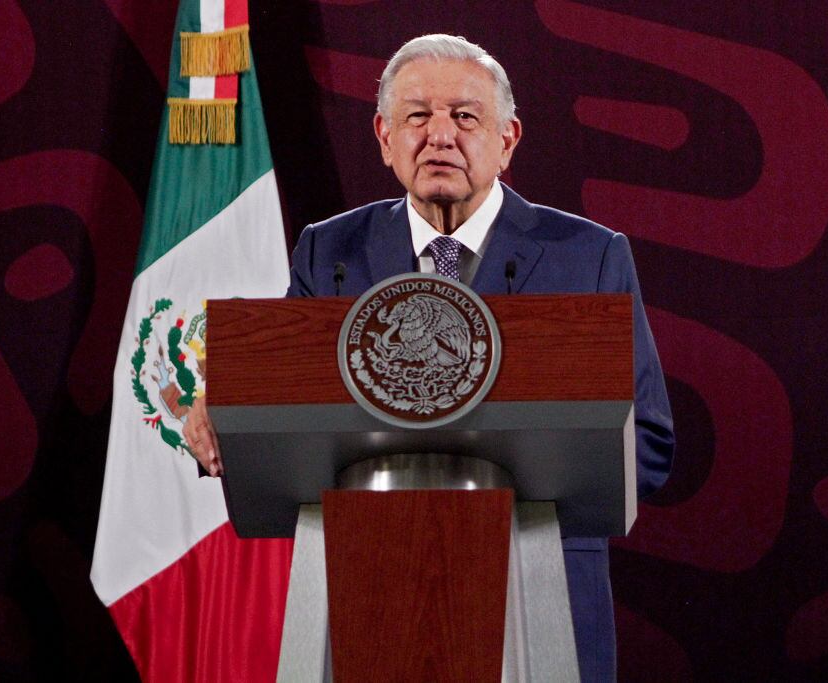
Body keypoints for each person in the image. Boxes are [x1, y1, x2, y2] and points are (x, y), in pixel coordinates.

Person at [184, 33, 674, 682]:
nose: (439, 135)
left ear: (508, 139)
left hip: (536, 591)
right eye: (418, 115)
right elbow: (285, 403)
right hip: (369, 597)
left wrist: (525, 481)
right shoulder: (327, 254)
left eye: (465, 116)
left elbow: (649, 442)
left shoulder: (588, 256)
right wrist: (229, 410)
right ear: (385, 137)